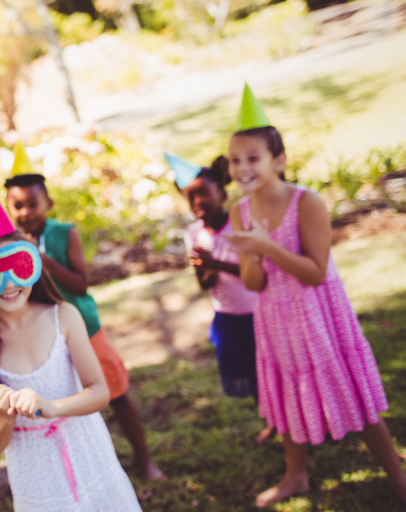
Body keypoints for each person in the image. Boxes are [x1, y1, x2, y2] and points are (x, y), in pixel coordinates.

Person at [224, 84, 406, 508]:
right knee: (288, 394)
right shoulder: (240, 212)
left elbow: (315, 272)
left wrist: (267, 247)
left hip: (318, 314)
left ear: (279, 160)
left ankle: (397, 477)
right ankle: (296, 475)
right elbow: (253, 285)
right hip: (276, 318)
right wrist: (251, 256)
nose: (242, 168)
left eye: (253, 157)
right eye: (235, 160)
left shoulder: (307, 202)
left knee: (352, 394)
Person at [0, 171, 142, 511]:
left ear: (33, 264)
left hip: (87, 451)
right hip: (34, 475)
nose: (8, 283)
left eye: (17, 265)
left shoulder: (64, 317)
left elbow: (100, 391)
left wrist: (54, 407)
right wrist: (6, 417)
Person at [3, 171, 166, 481]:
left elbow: (81, 283)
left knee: (114, 393)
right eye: (18, 206)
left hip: (85, 330)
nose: (25, 212)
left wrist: (42, 260)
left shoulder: (65, 233)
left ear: (48, 202)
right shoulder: (10, 244)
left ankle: (144, 460)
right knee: (66, 398)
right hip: (45, 339)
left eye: (33, 203)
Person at [171, 153, 274, 443]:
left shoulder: (239, 224)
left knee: (269, 368)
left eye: (204, 193)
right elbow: (204, 285)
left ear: (222, 192)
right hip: (227, 317)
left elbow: (253, 272)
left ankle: (287, 415)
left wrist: (215, 262)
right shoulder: (194, 233)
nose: (198, 202)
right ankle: (270, 420)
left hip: (256, 313)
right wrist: (205, 266)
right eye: (190, 198)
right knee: (250, 373)